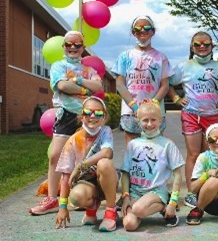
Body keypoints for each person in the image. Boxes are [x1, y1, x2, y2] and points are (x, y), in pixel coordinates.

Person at [29, 31, 103, 215]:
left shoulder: (88, 70)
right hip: (66, 116)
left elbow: (99, 87)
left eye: (77, 45)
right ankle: (52, 199)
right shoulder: (58, 66)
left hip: (87, 117)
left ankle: (91, 196)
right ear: (64, 47)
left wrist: (77, 82)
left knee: (87, 160)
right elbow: (62, 86)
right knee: (55, 156)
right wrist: (86, 89)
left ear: (83, 48)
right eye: (69, 44)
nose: (73, 48)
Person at [168, 31, 218, 208]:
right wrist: (176, 99)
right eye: (197, 44)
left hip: (212, 116)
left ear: (212, 47)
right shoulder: (184, 66)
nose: (202, 47)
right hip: (191, 115)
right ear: (192, 47)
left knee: (209, 155)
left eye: (206, 44)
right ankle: (192, 192)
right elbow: (167, 83)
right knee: (193, 154)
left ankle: (207, 189)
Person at [55, 96, 119, 232]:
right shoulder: (73, 140)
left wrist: (80, 166)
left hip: (106, 180)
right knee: (77, 197)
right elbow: (65, 175)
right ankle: (92, 208)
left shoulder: (105, 131)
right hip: (87, 182)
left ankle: (110, 211)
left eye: (98, 113)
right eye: (88, 112)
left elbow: (107, 152)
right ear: (81, 116)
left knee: (104, 163)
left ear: (104, 117)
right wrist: (62, 207)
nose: (93, 116)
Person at [120, 100, 185, 231]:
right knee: (129, 224)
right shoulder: (133, 144)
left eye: (153, 120)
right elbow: (125, 173)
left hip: (156, 191)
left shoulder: (167, 144)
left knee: (138, 209)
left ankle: (164, 205)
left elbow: (178, 175)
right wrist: (125, 197)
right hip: (135, 192)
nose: (149, 124)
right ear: (138, 121)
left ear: (160, 121)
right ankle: (149, 209)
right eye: (145, 120)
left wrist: (173, 202)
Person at [111, 15, 173, 146]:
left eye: (147, 28)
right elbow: (120, 84)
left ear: (153, 31)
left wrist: (153, 103)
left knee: (156, 150)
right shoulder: (124, 56)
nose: (142, 31)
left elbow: (165, 86)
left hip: (155, 111)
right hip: (130, 112)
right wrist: (134, 106)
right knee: (133, 152)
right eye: (138, 29)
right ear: (133, 32)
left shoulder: (161, 57)